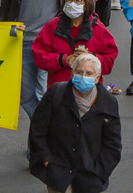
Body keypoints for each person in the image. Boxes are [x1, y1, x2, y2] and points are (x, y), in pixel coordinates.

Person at [26, 51, 121, 193]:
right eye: (79, 72)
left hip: (89, 179)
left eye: (89, 73)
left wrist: (99, 173)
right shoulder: (56, 93)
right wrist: (46, 160)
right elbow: (37, 129)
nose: (83, 77)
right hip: (59, 175)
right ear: (72, 74)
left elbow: (112, 145)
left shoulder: (108, 102)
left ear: (97, 78)